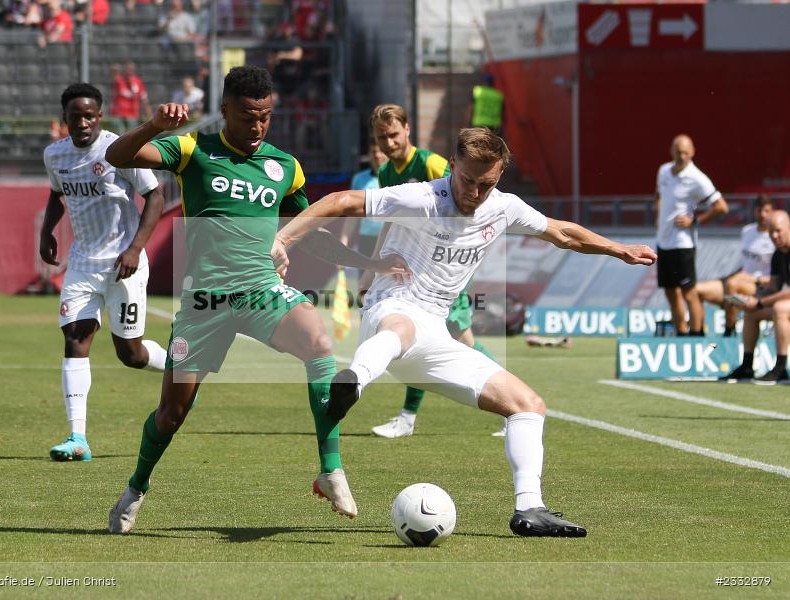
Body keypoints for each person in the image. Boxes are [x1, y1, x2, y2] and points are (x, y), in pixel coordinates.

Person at [274, 127, 657, 537]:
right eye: (468, 181)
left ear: (500, 176)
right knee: (403, 326)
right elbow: (339, 201)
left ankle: (530, 509)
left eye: (486, 185)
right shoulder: (421, 197)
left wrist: (618, 249)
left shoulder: (504, 207)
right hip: (392, 311)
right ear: (452, 166)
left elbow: (561, 232)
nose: (475, 193)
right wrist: (282, 238)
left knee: (528, 405)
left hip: (435, 336)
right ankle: (351, 385)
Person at [104, 66, 408, 533]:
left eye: (265, 117)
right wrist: (154, 126)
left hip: (261, 291)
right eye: (248, 116)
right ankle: (135, 489)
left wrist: (369, 263)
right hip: (205, 304)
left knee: (320, 344)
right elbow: (118, 155)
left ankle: (331, 470)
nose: (257, 127)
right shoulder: (192, 150)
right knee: (172, 413)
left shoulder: (283, 167)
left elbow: (311, 232)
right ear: (224, 110)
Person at [40, 83, 168, 462]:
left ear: (101, 117)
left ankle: (182, 369)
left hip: (124, 265)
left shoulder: (121, 151)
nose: (83, 122)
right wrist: (47, 230)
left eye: (89, 115)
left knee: (130, 354)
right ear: (65, 119)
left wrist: (135, 248)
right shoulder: (55, 155)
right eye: (75, 116)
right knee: (76, 338)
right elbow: (55, 194)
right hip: (83, 264)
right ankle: (77, 438)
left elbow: (156, 196)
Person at [366, 103, 503, 439]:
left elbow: (472, 202)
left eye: (394, 134)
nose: (389, 143)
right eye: (382, 137)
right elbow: (390, 222)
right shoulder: (385, 174)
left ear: (408, 129)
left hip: (442, 276)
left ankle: (508, 403)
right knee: (416, 341)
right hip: (413, 276)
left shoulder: (431, 164)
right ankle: (408, 417)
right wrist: (372, 265)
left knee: (460, 344)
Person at [654, 134, 728, 336]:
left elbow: (721, 207)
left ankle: (696, 335)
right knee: (670, 291)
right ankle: (681, 333)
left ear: (693, 152)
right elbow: (660, 196)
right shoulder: (663, 171)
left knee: (689, 292)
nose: (683, 156)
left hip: (683, 243)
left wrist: (695, 221)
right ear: (672, 151)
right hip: (664, 241)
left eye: (686, 152)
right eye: (679, 152)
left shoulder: (697, 178)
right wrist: (658, 215)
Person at [720, 209, 790, 384]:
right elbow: (773, 287)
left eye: (778, 230)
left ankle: (781, 369)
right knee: (752, 313)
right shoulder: (778, 254)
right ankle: (747, 367)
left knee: (780, 308)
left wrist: (760, 302)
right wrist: (749, 301)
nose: (774, 235)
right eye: (771, 231)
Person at [695, 195, 775, 336]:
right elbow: (747, 263)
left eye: (766, 211)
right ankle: (697, 336)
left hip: (760, 287)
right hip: (738, 281)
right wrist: (735, 276)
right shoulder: (747, 231)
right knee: (696, 290)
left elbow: (779, 277)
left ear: (772, 212)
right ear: (754, 211)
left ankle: (729, 331)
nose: (762, 215)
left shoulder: (776, 236)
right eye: (759, 210)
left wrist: (751, 279)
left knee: (732, 285)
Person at [468, 70, 504, 135]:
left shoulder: (477, 91)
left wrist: (468, 123)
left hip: (479, 124)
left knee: (478, 144)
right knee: (491, 145)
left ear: (484, 82)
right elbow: (502, 114)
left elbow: (471, 108)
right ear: (493, 83)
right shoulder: (498, 95)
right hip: (494, 126)